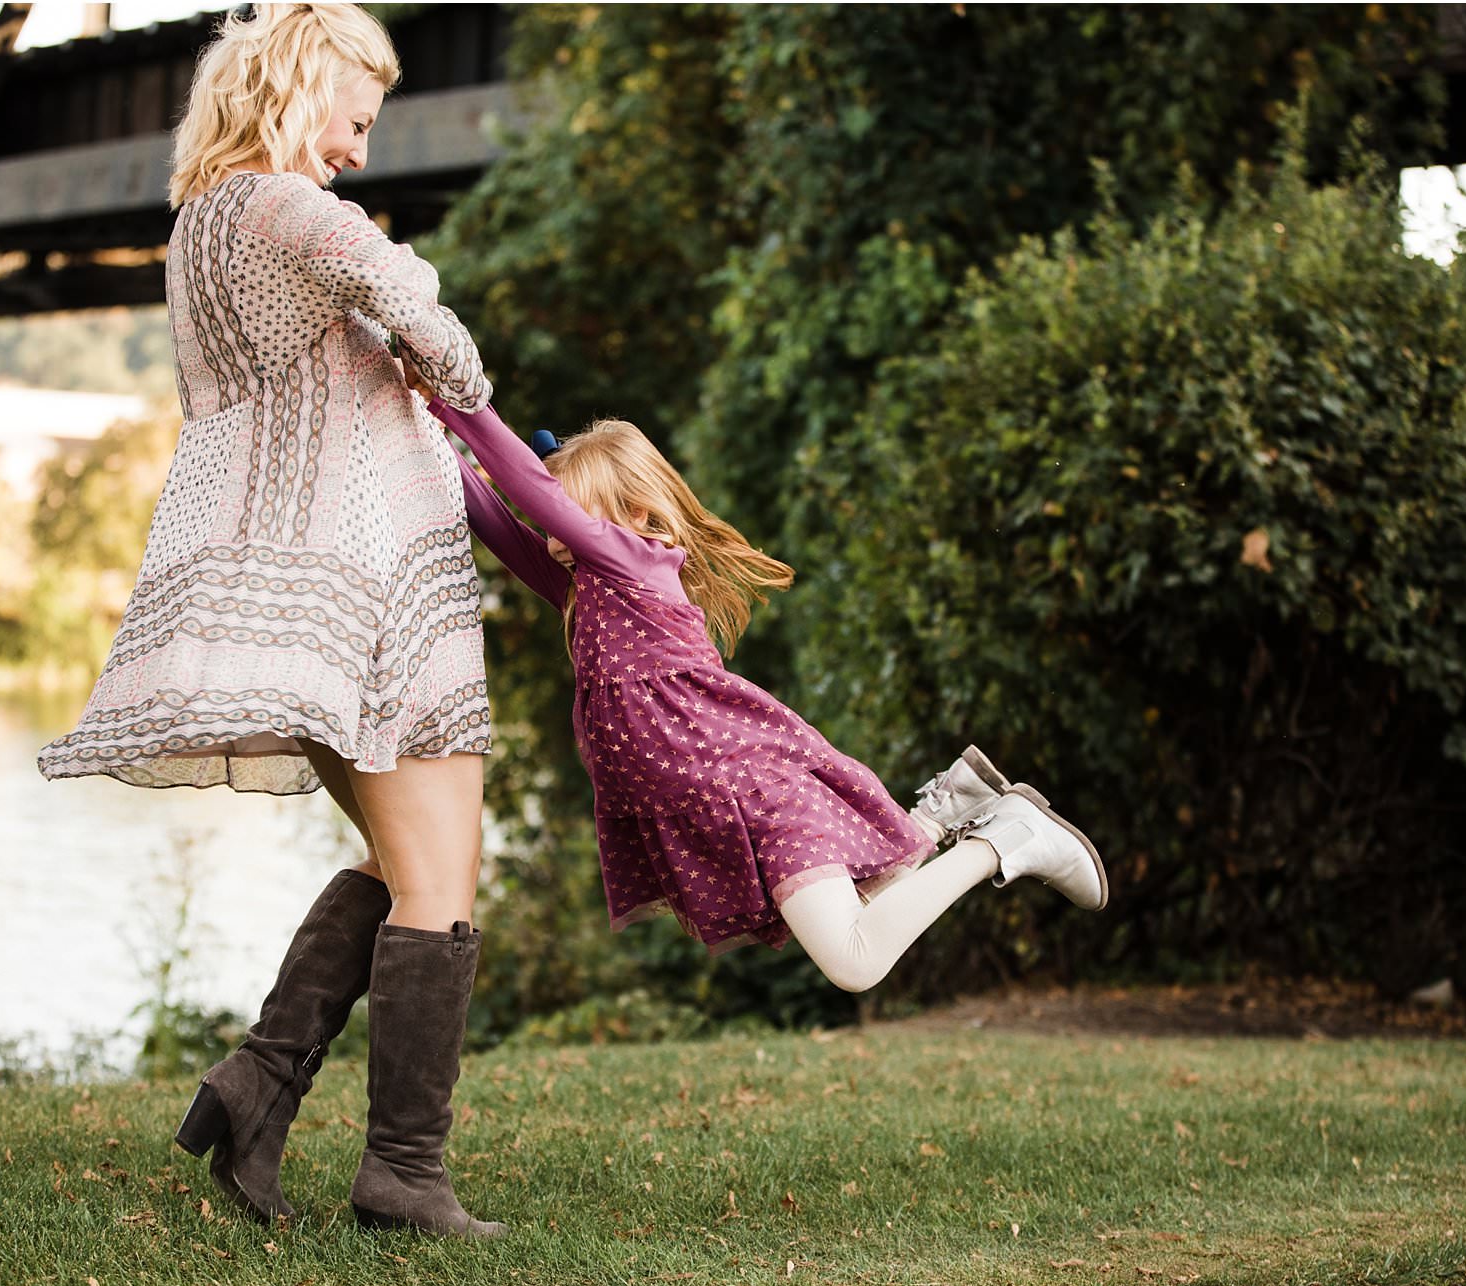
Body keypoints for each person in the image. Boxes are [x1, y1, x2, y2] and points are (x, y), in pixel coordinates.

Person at [35, 3, 503, 1240]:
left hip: (292, 595)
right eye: (355, 119)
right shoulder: (287, 207)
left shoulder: (201, 227)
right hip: (368, 598)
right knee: (442, 880)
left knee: (416, 867)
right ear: (303, 84)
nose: (357, 149)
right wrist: (441, 350)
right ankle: (401, 1171)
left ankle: (256, 1088)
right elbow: (425, 317)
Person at [422, 394, 1109, 989]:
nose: (551, 533)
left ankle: (1003, 838)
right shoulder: (583, 589)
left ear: (634, 514)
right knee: (881, 896)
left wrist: (459, 401)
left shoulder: (633, 563)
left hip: (757, 793)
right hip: (726, 813)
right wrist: (420, 424)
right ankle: (946, 809)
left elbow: (522, 486)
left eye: (566, 514)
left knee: (856, 958)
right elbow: (495, 517)